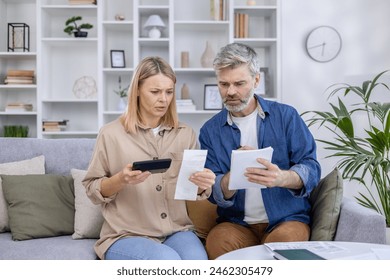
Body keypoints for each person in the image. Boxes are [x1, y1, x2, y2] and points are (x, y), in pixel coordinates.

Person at [83, 56, 215, 260]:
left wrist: (203, 185)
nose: (163, 99)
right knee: (166, 261)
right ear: (137, 91)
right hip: (125, 235)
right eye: (155, 91)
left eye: (169, 92)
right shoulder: (110, 134)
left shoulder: (185, 134)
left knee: (197, 262)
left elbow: (190, 190)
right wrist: (121, 180)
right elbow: (92, 190)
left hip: (176, 231)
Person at [199, 43, 321, 259]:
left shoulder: (286, 116)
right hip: (237, 224)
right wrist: (230, 179)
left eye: (239, 83)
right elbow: (213, 191)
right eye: (223, 84)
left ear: (256, 80)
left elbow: (311, 167)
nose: (231, 92)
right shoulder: (210, 131)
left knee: (284, 247)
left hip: (286, 219)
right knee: (218, 241)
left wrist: (282, 177)